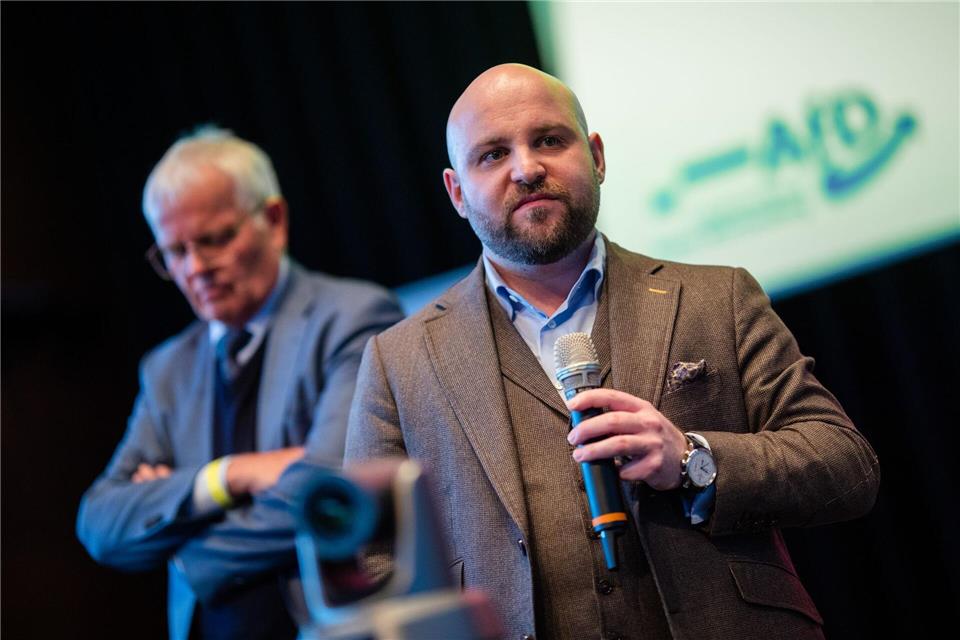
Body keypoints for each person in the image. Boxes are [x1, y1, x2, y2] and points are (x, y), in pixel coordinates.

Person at [344, 64, 880, 639]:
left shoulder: (715, 296)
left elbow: (845, 466)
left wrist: (693, 459)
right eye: (493, 155)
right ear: (456, 191)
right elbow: (367, 557)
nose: (527, 169)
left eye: (549, 140)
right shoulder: (400, 361)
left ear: (596, 156)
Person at [77, 127, 404, 640]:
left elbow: (329, 489)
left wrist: (188, 554)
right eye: (174, 252)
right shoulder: (166, 369)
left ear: (273, 221)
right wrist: (227, 477)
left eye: (214, 239)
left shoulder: (353, 317)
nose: (196, 269)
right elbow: (100, 523)